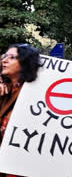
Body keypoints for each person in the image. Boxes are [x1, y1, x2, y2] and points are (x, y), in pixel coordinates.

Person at [0, 44, 40, 177]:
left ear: (24, 63)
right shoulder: (4, 90)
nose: (4, 60)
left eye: (11, 57)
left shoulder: (36, 96)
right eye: (5, 56)